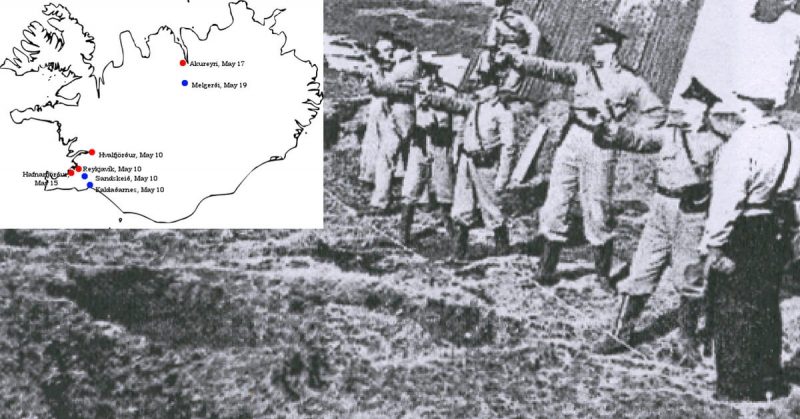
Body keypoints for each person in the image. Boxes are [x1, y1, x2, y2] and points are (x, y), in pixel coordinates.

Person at [509, 23, 663, 288]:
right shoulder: (583, 71)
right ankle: (546, 270)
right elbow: (549, 68)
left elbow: (657, 113)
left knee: (597, 209)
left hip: (601, 144)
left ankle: (603, 275)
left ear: (613, 47)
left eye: (600, 45)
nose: (595, 49)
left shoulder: (630, 81)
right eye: (594, 44)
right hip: (572, 137)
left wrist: (626, 133)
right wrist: (519, 60)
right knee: (555, 202)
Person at [591, 78, 726, 368]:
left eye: (696, 105)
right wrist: (615, 132)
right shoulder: (670, 134)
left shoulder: (716, 143)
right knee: (641, 270)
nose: (689, 109)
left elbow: (723, 187)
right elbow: (640, 140)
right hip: (660, 210)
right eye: (687, 103)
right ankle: (619, 333)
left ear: (706, 110)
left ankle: (687, 342)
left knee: (688, 279)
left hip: (693, 215)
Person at [700, 92, 800, 401]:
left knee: (733, 307)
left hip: (742, 227)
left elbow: (729, 198)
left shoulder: (743, 142)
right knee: (765, 303)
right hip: (771, 225)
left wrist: (715, 244)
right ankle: (768, 378)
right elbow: (792, 186)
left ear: (745, 105)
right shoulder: (788, 138)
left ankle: (736, 385)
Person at [448, 71, 520, 260]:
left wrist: (503, 177)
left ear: (493, 88)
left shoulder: (502, 112)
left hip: (486, 163)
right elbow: (464, 130)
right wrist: (457, 154)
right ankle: (458, 252)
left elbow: (509, 146)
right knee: (462, 207)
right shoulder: (476, 107)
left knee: (492, 208)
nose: (478, 90)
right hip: (467, 161)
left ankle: (502, 253)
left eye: (482, 86)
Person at [398, 59, 458, 244]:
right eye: (423, 75)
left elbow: (456, 121)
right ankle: (404, 235)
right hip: (421, 145)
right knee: (411, 188)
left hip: (441, 144)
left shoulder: (448, 92)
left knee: (444, 191)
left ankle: (453, 234)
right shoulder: (416, 93)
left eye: (429, 74)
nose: (426, 79)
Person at [368, 38, 420, 213]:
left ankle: (381, 201)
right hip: (406, 114)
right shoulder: (411, 64)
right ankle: (422, 198)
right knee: (412, 158)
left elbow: (385, 86)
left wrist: (374, 69)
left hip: (399, 115)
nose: (391, 53)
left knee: (386, 158)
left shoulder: (404, 67)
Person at [358, 33, 396, 185]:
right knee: (374, 139)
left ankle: (381, 174)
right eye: (387, 50)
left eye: (391, 50)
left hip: (386, 104)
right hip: (379, 105)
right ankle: (369, 173)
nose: (390, 53)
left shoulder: (388, 67)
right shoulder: (376, 67)